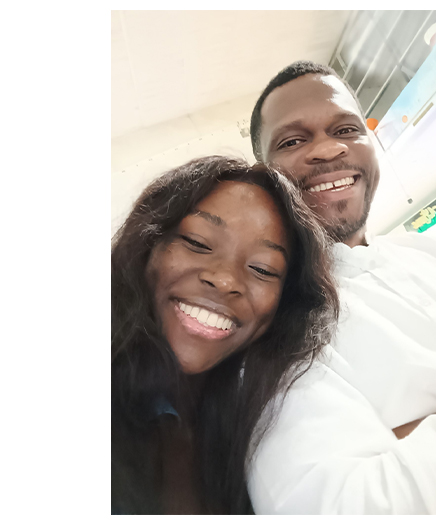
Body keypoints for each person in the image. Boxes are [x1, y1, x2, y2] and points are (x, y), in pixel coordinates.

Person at [246, 61, 436, 514]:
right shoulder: (275, 336)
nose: (328, 149)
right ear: (264, 178)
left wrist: (420, 436)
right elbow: (349, 508)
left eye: (346, 129)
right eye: (293, 141)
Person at [111, 155, 339, 514]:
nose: (225, 280)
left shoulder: (267, 427)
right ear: (147, 246)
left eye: (263, 269)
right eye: (197, 242)